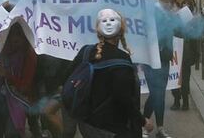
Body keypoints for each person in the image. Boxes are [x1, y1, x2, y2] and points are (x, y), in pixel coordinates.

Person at [64, 9, 153, 138]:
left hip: (87, 124)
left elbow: (67, 78)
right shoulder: (122, 59)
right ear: (122, 30)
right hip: (111, 129)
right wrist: (143, 121)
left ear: (98, 30)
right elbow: (124, 99)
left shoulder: (86, 51)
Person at [143, 0, 182, 138]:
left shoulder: (168, 15)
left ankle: (160, 128)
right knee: (156, 94)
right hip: (152, 60)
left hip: (164, 59)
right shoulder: (153, 14)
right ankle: (144, 126)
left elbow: (178, 32)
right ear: (167, 1)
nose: (172, 5)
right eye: (171, 2)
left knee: (160, 95)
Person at [170, 0, 200, 111]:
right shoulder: (175, 20)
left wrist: (196, 56)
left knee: (184, 80)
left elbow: (195, 40)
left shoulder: (192, 23)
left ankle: (184, 102)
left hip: (184, 55)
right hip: (176, 55)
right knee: (175, 79)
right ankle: (177, 101)